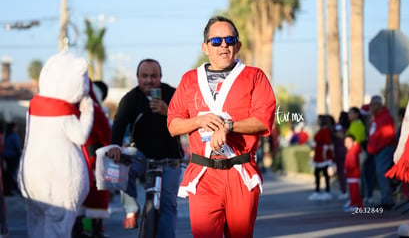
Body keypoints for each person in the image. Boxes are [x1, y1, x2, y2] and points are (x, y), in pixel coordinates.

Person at [167, 15, 276, 238]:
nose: (223, 45)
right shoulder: (189, 80)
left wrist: (228, 126)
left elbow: (263, 120)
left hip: (239, 172)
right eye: (216, 41)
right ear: (206, 47)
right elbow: (173, 125)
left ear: (238, 45)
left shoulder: (254, 76)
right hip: (203, 175)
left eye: (229, 39)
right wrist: (198, 120)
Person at [107, 59, 183, 237]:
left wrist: (168, 112)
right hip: (141, 156)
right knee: (125, 170)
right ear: (137, 77)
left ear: (160, 77)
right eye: (145, 76)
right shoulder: (130, 99)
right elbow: (119, 124)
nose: (149, 80)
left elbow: (188, 118)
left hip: (170, 159)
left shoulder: (173, 94)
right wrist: (114, 146)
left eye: (153, 76)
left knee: (168, 205)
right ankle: (132, 208)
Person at [72, 80, 112, 238]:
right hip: (94, 159)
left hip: (80, 157)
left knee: (80, 196)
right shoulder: (94, 108)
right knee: (96, 195)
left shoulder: (75, 108)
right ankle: (94, 229)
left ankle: (79, 228)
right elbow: (105, 135)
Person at [366, 95, 396, 210]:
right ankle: (385, 199)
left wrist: (377, 147)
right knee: (379, 174)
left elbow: (388, 136)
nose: (370, 107)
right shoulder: (376, 119)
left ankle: (387, 200)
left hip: (384, 150)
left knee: (382, 173)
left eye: (372, 105)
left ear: (378, 105)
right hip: (377, 151)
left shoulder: (385, 118)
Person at [308, 115, 335, 201]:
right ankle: (317, 191)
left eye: (319, 120)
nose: (317, 121)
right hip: (318, 154)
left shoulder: (325, 130)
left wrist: (324, 154)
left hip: (323, 155)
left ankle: (327, 191)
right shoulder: (321, 130)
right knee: (317, 173)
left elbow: (327, 143)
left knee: (324, 173)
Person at [343, 134, 363, 212]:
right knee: (354, 190)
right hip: (351, 175)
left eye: (348, 142)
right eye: (345, 142)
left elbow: (352, 163)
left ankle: (354, 204)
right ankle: (357, 204)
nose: (346, 144)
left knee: (354, 191)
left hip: (353, 174)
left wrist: (347, 169)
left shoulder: (353, 150)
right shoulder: (351, 150)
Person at [2, 122, 21, 196]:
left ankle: (8, 189)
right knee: (12, 174)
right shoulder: (14, 136)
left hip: (6, 156)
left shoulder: (7, 135)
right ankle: (10, 189)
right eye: (16, 127)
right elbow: (17, 146)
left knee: (8, 174)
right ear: (13, 128)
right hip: (13, 157)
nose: (17, 128)